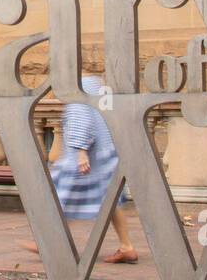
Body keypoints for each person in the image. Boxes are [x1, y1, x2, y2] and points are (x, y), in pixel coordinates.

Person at [20, 76, 139, 264]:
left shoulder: (78, 89)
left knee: (59, 196)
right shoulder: (97, 89)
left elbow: (81, 119)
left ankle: (50, 244)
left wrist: (80, 151)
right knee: (110, 201)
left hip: (85, 157)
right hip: (105, 154)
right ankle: (127, 246)